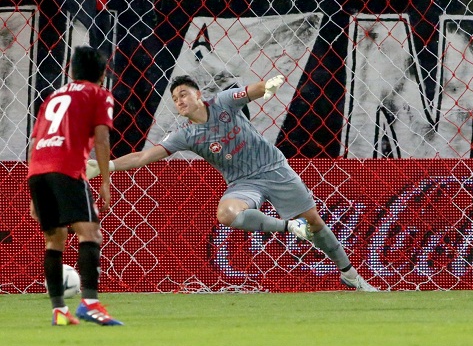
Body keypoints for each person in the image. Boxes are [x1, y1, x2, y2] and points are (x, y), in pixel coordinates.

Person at [86, 74, 377, 291]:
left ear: (199, 95)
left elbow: (252, 91)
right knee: (226, 214)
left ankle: (350, 275)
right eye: (175, 99)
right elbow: (143, 156)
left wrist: (268, 86)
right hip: (243, 182)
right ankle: (289, 227)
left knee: (314, 223)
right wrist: (106, 166)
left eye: (184, 94)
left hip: (274, 169)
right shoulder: (185, 135)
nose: (180, 101)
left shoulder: (223, 102)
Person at [28, 46, 123, 326]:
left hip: (38, 171)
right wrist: (105, 179)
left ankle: (59, 310)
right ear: (103, 74)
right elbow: (102, 139)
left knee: (54, 239)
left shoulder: (53, 96)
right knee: (91, 233)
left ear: (71, 71)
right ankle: (90, 304)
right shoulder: (99, 94)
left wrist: (33, 191)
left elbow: (35, 142)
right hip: (67, 168)